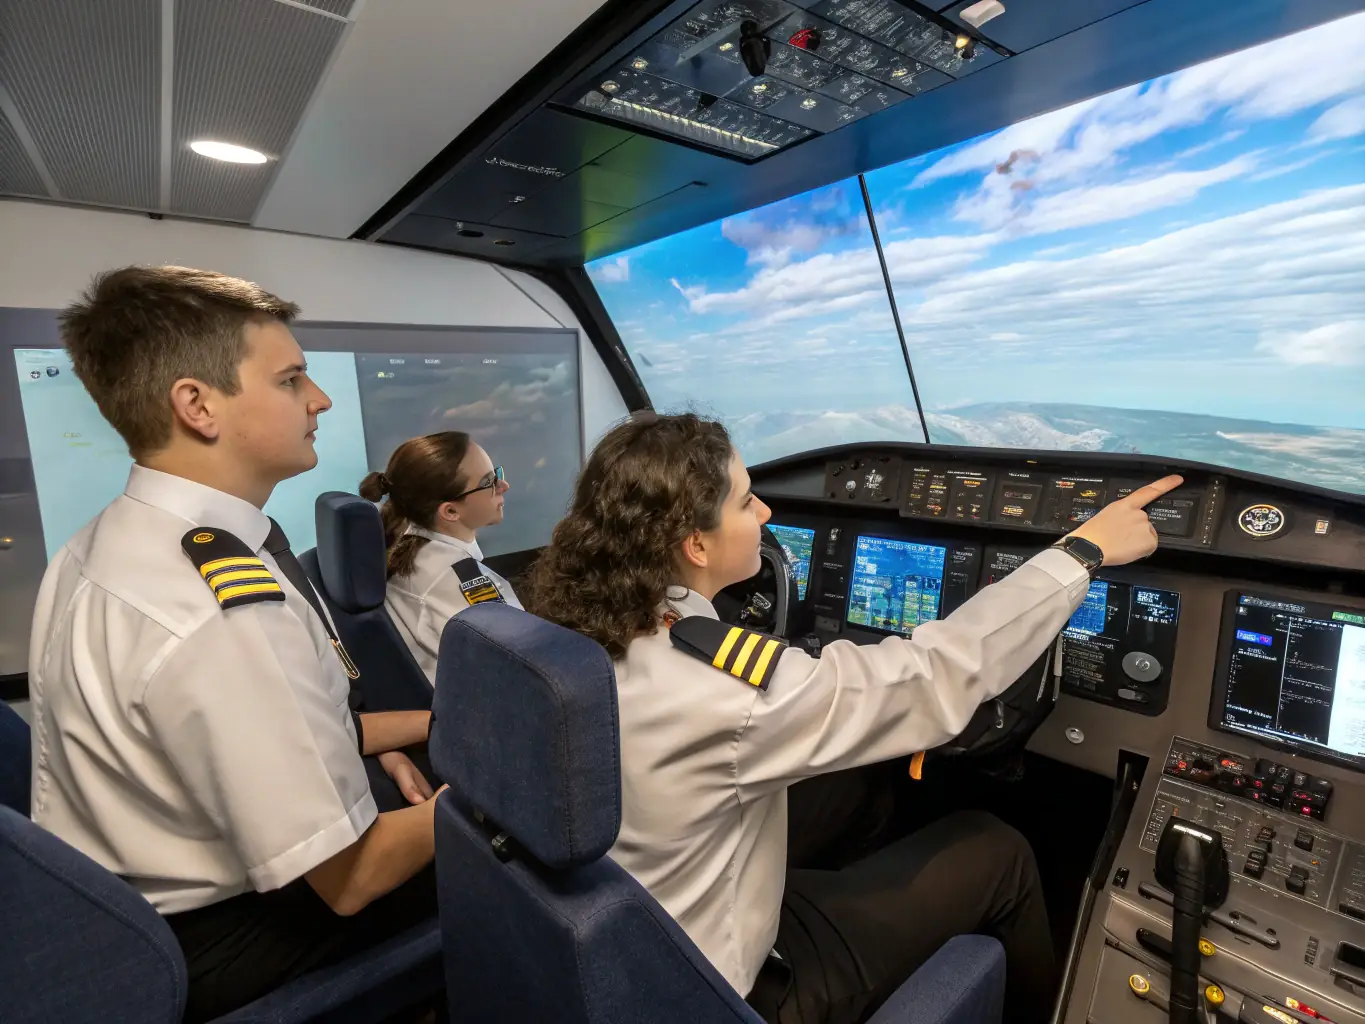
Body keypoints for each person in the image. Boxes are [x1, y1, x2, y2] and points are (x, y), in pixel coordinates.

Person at [526, 411, 1182, 1024]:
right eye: (746, 499)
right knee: (998, 848)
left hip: (635, 925)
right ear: (695, 543)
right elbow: (935, 675)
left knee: (861, 786)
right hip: (721, 990)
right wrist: (1081, 551)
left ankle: (884, 923)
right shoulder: (724, 692)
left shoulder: (579, 625)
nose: (765, 510)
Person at [27, 266, 441, 1022]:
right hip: (215, 944)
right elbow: (352, 879)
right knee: (523, 861)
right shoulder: (222, 615)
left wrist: (431, 726)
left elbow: (273, 722)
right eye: (290, 380)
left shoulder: (101, 544)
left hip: (125, 914)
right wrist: (482, 805)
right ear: (197, 405)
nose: (318, 400)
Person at [359, 431, 520, 685]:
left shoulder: (405, 548)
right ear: (451, 511)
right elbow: (519, 666)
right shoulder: (459, 581)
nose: (504, 486)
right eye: (489, 482)